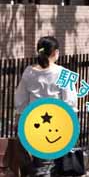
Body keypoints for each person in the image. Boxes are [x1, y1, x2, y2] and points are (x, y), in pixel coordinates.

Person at [13, 36, 77, 177]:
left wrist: (18, 123)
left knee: (39, 165)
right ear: (55, 52)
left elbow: (21, 101)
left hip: (32, 124)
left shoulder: (29, 72)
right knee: (48, 167)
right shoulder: (63, 74)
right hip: (56, 126)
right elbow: (70, 103)